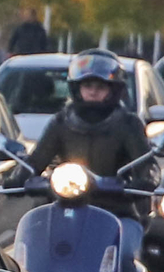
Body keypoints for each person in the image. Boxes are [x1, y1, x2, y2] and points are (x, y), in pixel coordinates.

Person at [28, 49, 155, 217]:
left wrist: (145, 180)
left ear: (114, 89)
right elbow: (37, 160)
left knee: (130, 238)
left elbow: (145, 164)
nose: (93, 92)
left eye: (100, 87)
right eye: (87, 86)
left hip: (118, 210)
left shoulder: (128, 124)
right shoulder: (61, 122)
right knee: (38, 231)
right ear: (76, 87)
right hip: (65, 208)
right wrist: (21, 174)